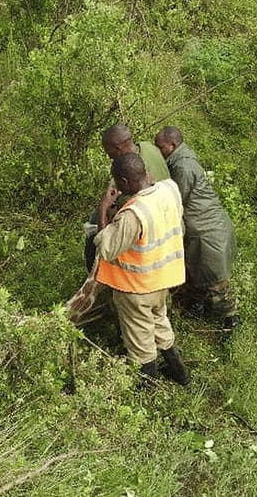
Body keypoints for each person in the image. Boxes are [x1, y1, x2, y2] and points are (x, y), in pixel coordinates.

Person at [93, 152, 190, 385]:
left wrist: (104, 208)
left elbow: (106, 248)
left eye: (117, 181)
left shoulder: (133, 215)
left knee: (141, 343)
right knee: (159, 325)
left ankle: (148, 389)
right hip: (163, 279)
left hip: (137, 288)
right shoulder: (169, 189)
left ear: (125, 183)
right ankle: (180, 374)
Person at [154, 126, 241, 330]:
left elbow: (175, 199)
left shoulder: (183, 167)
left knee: (216, 284)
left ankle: (229, 323)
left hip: (208, 231)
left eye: (161, 146)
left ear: (173, 145)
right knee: (194, 272)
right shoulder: (181, 160)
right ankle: (197, 308)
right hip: (206, 226)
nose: (158, 150)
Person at [84, 124, 170, 272]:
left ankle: (100, 278)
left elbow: (119, 211)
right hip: (166, 216)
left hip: (151, 230)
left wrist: (104, 208)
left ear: (118, 148)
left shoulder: (131, 172)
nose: (109, 156)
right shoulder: (148, 147)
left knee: (96, 236)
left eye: (109, 153)